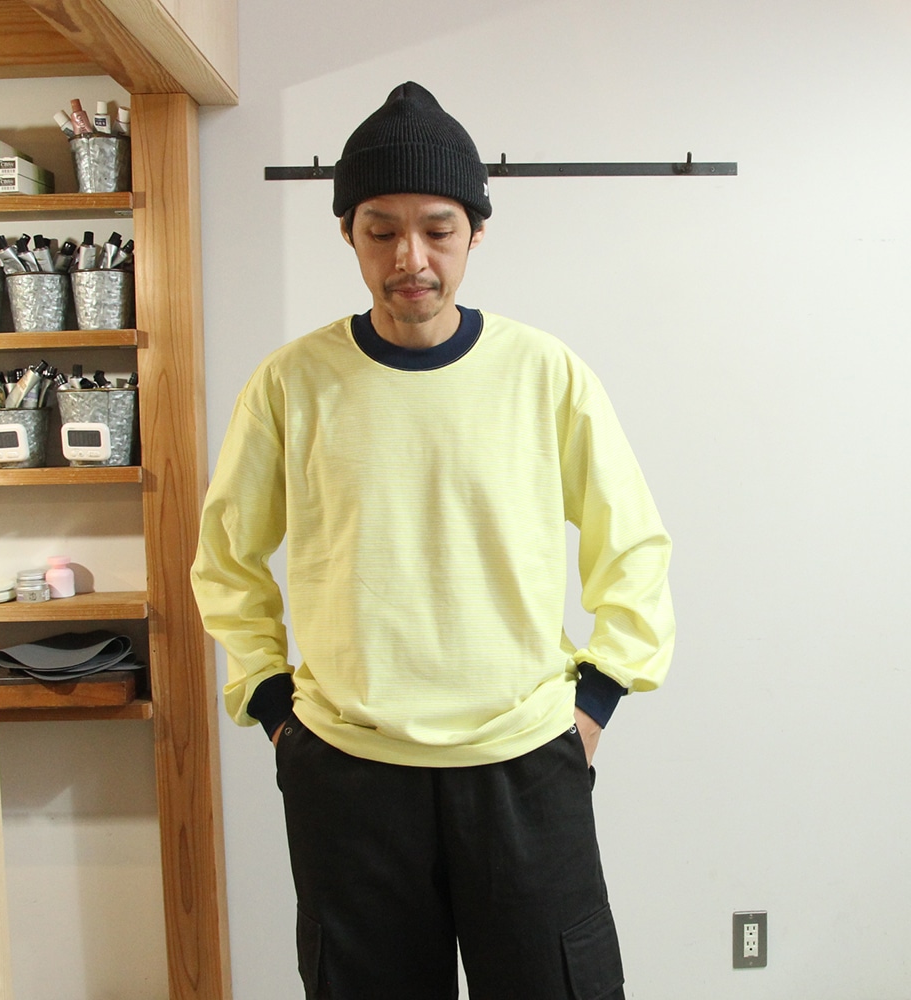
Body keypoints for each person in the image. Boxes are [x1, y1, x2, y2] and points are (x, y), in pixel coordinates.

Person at [191, 81, 675, 1000]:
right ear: (348, 233)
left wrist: (598, 699)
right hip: (349, 772)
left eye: (437, 228)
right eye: (381, 230)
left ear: (475, 232)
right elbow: (226, 559)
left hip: (525, 763)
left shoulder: (544, 374)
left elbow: (634, 545)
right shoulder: (292, 384)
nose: (409, 257)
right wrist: (272, 702)